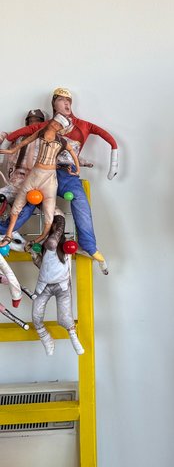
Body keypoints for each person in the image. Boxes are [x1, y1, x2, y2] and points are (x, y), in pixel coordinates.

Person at [0, 88, 118, 273]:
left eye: (69, 100)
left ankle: (88, 246)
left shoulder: (81, 127)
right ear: (53, 104)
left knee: (79, 199)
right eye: (62, 100)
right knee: (30, 200)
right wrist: (6, 143)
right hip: (43, 174)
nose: (67, 103)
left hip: (66, 175)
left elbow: (109, 140)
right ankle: (2, 231)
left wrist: (112, 163)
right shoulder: (44, 128)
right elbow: (19, 136)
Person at [0, 114, 80, 247]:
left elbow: (73, 153)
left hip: (49, 178)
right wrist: (11, 150)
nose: (54, 125)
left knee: (49, 211)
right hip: (33, 174)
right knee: (17, 205)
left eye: (58, 124)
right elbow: (26, 141)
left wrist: (77, 170)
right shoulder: (40, 133)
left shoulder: (62, 142)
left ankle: (41, 237)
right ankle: (8, 235)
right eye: (54, 122)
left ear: (61, 128)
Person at [28, 210, 84, 357]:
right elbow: (44, 267)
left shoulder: (66, 245)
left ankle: (73, 337)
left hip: (62, 286)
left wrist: (99, 258)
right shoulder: (45, 245)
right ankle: (46, 338)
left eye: (54, 224)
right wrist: (34, 255)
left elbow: (54, 242)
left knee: (65, 318)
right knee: (36, 316)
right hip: (44, 286)